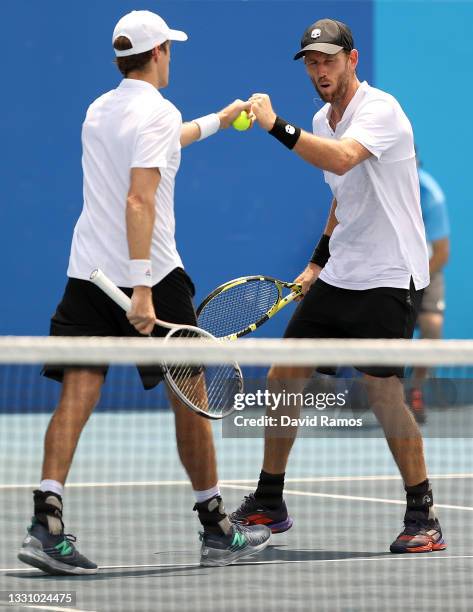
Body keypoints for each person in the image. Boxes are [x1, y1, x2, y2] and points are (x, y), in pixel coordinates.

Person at [18, 10, 270, 575]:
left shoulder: (99, 110)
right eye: (170, 50)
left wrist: (216, 120)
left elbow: (158, 144)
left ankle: (46, 522)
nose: (171, 58)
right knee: (192, 399)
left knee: (77, 395)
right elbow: (139, 199)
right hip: (150, 276)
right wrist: (141, 289)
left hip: (87, 273)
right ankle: (215, 527)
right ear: (158, 54)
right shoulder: (157, 110)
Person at [232, 18, 446, 553]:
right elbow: (341, 195)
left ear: (353, 60)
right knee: (284, 375)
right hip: (342, 271)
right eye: (311, 61)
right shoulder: (319, 121)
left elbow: (345, 157)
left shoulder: (381, 110)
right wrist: (317, 261)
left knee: (383, 392)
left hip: (390, 275)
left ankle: (422, 514)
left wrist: (275, 126)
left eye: (329, 59)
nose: (320, 69)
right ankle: (270, 500)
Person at [408, 157, 450, 423]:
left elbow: (442, 254)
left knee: (432, 326)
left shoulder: (430, 195)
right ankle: (380, 387)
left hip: (426, 271)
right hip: (388, 270)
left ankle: (416, 390)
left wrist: (415, 282)